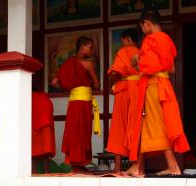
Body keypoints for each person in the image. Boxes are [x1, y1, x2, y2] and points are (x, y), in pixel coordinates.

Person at [126, 8, 190, 176]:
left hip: (153, 85)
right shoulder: (168, 40)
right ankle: (137, 166)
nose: (142, 31)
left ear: (147, 23)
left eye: (142, 27)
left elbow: (149, 66)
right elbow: (172, 68)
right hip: (163, 84)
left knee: (154, 124)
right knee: (148, 123)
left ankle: (172, 165)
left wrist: (137, 60)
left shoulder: (151, 39)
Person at [51, 36, 100, 169]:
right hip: (84, 102)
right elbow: (97, 84)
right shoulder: (88, 64)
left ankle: (73, 164)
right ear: (83, 47)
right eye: (90, 48)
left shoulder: (68, 63)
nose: (91, 51)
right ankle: (82, 163)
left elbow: (54, 82)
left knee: (73, 131)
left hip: (73, 102)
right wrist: (86, 86)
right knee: (83, 131)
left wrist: (71, 88)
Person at [106, 28, 140, 173]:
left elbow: (114, 73)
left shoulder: (123, 52)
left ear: (127, 39)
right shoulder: (142, 52)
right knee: (137, 126)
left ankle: (118, 168)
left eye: (122, 41)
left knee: (119, 127)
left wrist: (111, 83)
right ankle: (138, 166)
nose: (122, 44)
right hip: (139, 90)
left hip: (124, 92)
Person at [32, 88, 56, 172]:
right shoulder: (45, 98)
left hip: (33, 123)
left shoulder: (28, 98)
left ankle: (34, 172)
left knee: (32, 150)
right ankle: (47, 171)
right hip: (46, 123)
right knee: (46, 149)